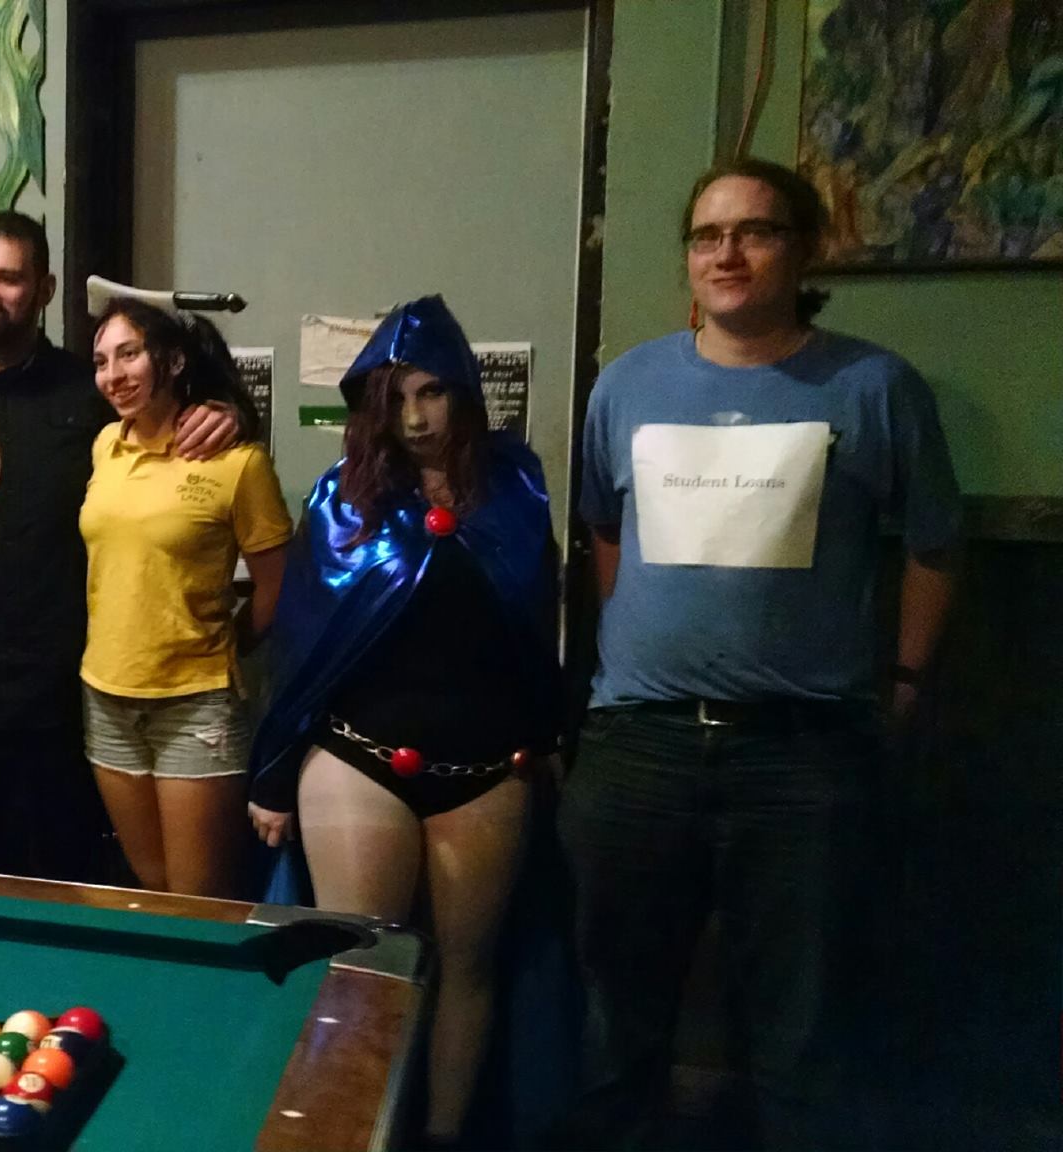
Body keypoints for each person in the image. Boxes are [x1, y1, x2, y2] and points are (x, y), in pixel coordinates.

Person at [562, 157, 960, 1148]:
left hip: (803, 755)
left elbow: (934, 545)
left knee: (803, 1040)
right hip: (638, 748)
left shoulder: (873, 387)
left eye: (755, 231)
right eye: (706, 236)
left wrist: (905, 681)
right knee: (613, 1024)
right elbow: (604, 533)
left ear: (804, 249)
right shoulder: (627, 384)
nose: (727, 253)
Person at [247, 296, 562, 1147]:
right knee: (364, 970)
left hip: (485, 768)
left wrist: (550, 737)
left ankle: (442, 1138)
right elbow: (303, 644)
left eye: (432, 393)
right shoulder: (343, 499)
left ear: (464, 391)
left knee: (469, 969)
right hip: (360, 759)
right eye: (395, 399)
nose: (416, 418)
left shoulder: (516, 487)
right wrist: (273, 772)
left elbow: (536, 625)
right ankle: (357, 1137)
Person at [0, 211, 239, 882]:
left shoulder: (92, 396)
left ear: (44, 289)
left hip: (62, 714)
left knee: (60, 895)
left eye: (7, 278)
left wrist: (228, 412)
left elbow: (178, 421)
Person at [80, 299, 290, 897]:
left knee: (197, 897)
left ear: (173, 361)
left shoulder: (237, 461)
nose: (113, 374)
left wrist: (229, 643)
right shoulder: (105, 445)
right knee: (150, 886)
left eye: (128, 354)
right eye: (101, 361)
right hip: (106, 697)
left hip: (195, 706)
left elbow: (278, 585)